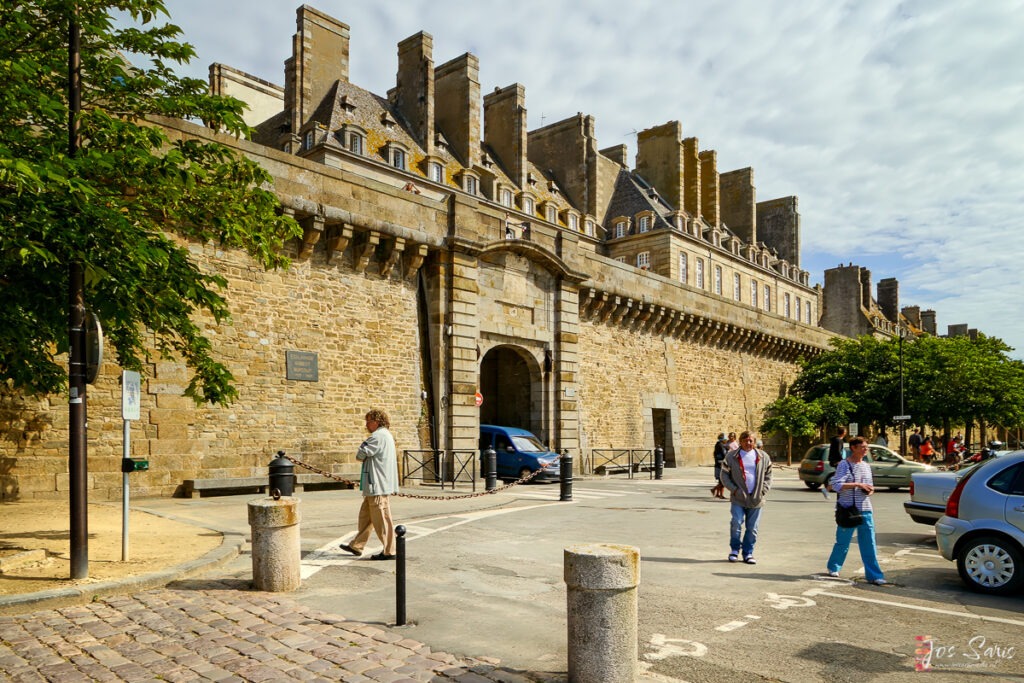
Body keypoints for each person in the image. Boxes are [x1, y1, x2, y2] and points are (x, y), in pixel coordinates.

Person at [338, 409, 400, 561]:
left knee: (381, 520)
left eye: (368, 421)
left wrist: (362, 446)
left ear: (376, 421)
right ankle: (356, 545)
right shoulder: (385, 435)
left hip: (377, 485)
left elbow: (360, 455)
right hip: (376, 485)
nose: (366, 424)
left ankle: (389, 551)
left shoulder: (377, 436)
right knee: (366, 517)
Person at [825, 437, 886, 585]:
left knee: (869, 543)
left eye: (867, 447)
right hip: (848, 509)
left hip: (865, 509)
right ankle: (834, 566)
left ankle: (874, 575)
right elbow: (836, 485)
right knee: (843, 542)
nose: (866, 450)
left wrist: (869, 490)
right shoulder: (844, 465)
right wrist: (857, 485)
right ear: (853, 448)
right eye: (863, 447)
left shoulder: (866, 465)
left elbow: (870, 485)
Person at [718, 431, 773, 564]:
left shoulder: (763, 456)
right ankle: (735, 550)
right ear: (741, 441)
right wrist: (734, 490)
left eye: (751, 441)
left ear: (754, 442)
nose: (748, 443)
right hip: (738, 497)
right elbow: (724, 475)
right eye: (746, 440)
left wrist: (763, 490)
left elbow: (769, 475)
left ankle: (748, 553)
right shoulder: (732, 456)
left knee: (752, 528)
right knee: (736, 523)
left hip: (756, 498)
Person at [711, 433, 728, 498]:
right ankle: (717, 491)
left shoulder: (718, 444)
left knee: (721, 480)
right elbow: (724, 454)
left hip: (718, 464)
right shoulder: (721, 445)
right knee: (722, 480)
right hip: (721, 464)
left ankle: (718, 493)